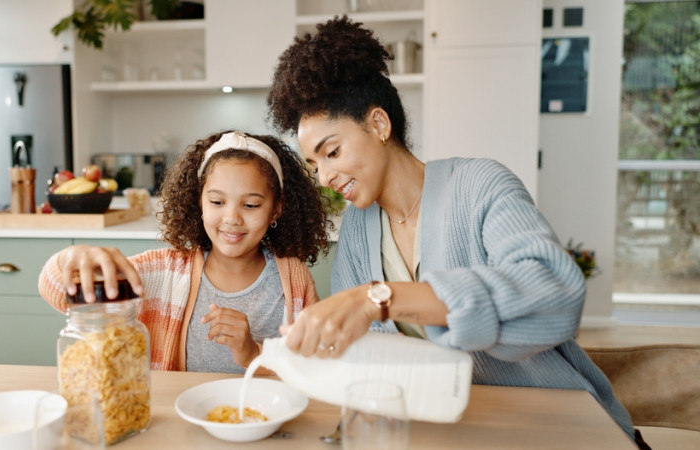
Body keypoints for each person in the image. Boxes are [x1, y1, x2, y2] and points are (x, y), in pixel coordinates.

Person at [266, 16, 649, 449]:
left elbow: (557, 293)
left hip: (565, 427)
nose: (324, 177)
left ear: (378, 125)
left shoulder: (480, 185)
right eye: (315, 165)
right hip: (460, 431)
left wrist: (380, 298)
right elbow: (374, 358)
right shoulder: (359, 227)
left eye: (332, 152)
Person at [38, 130, 331, 374]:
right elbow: (55, 291)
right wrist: (71, 259)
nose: (232, 218)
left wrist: (253, 352)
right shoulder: (161, 273)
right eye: (217, 202)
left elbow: (313, 365)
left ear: (275, 208)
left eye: (251, 205)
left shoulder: (293, 280)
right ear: (199, 202)